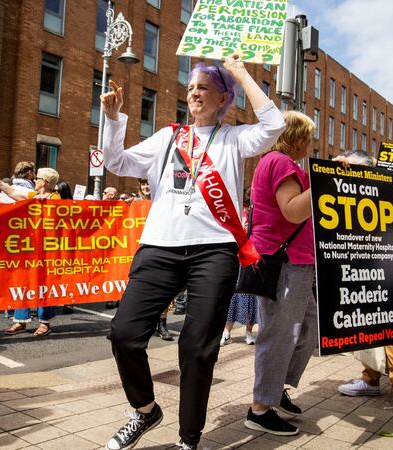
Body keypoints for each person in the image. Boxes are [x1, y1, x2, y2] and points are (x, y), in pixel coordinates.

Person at [100, 54, 285, 450]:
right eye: (190, 88)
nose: (194, 93)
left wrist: (240, 73)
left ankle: (189, 440)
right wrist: (114, 121)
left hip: (213, 252)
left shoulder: (235, 139)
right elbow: (117, 161)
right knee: (124, 334)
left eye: (203, 87)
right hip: (160, 247)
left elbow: (274, 124)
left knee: (197, 348)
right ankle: (146, 411)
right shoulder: (168, 136)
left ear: (223, 98)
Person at [240, 111, 315, 436]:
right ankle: (260, 408)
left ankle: (274, 390)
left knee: (310, 330)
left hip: (295, 261)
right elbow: (293, 210)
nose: (311, 144)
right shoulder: (280, 162)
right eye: (308, 137)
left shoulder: (285, 165)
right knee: (279, 333)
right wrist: (324, 185)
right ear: (296, 137)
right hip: (284, 261)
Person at [335, 150, 393, 417]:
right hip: (359, 272)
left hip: (385, 271)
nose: (350, 172)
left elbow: (388, 236)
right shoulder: (348, 190)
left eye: (355, 168)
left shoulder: (386, 191)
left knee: (390, 332)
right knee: (368, 328)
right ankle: (370, 379)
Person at [0, 168, 61, 336]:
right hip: (28, 246)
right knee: (21, 280)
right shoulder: (34, 196)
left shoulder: (55, 199)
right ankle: (20, 320)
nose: (34, 180)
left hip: (46, 248)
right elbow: (12, 192)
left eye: (37, 178)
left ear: (44, 182)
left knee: (43, 283)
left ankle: (44, 322)